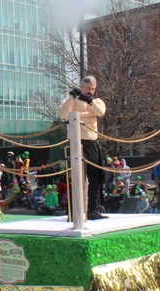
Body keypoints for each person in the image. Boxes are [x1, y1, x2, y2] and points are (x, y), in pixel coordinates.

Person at [58, 75, 107, 219]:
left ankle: (92, 210)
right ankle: (73, 212)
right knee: (77, 178)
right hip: (77, 143)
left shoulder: (97, 101)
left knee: (96, 179)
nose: (90, 91)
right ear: (81, 88)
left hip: (92, 144)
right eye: (88, 88)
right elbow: (62, 114)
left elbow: (100, 112)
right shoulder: (72, 101)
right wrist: (72, 97)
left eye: (93, 89)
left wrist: (90, 103)